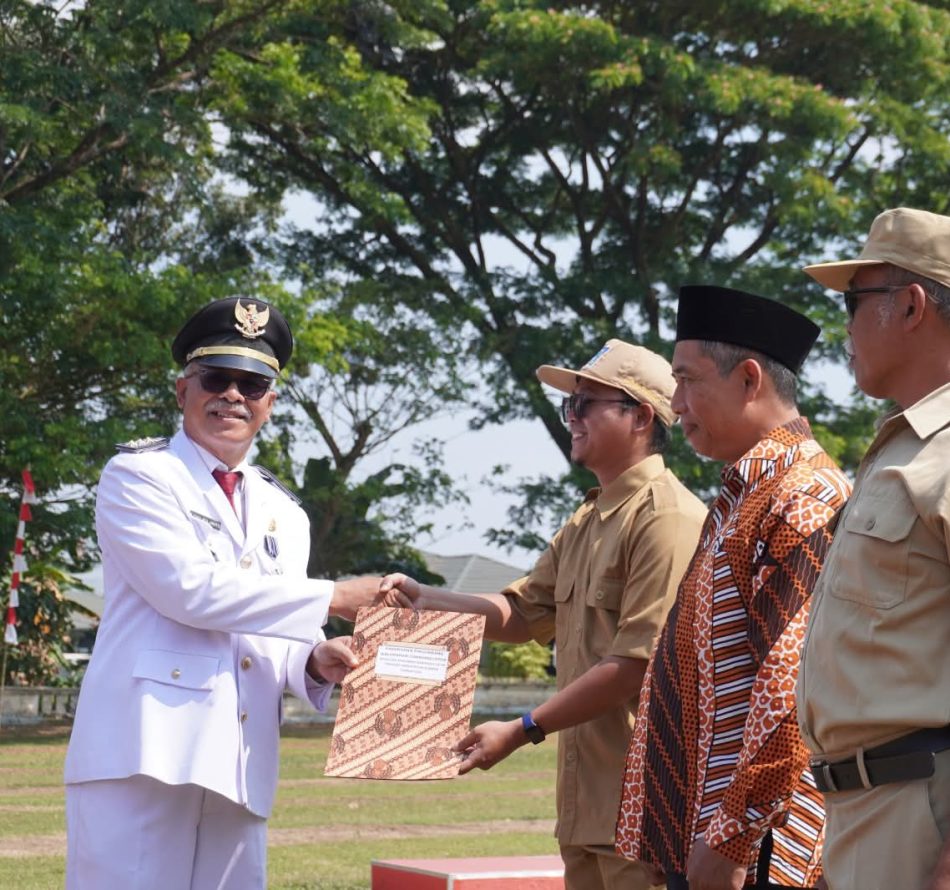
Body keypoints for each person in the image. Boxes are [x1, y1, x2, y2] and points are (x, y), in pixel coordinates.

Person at [64, 297, 382, 890]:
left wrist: (312, 658)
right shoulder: (139, 476)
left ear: (271, 402)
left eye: (253, 382)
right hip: (143, 751)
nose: (233, 394)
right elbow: (190, 591)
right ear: (183, 389)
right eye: (216, 378)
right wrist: (334, 597)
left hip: (240, 760)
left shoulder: (285, 511)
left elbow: (270, 629)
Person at [380, 339, 708, 890]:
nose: (571, 419)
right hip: (586, 810)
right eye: (568, 406)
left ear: (642, 417)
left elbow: (635, 663)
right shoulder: (586, 519)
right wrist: (427, 600)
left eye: (586, 405)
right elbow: (523, 612)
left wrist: (523, 728)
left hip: (643, 809)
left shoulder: (667, 518)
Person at [615, 286, 852, 890]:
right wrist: (662, 823)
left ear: (749, 379)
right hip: (708, 839)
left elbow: (790, 691)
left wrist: (729, 839)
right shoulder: (741, 495)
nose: (675, 402)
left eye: (688, 380)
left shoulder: (803, 496)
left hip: (756, 852)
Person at [796, 207, 950, 890]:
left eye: (855, 301)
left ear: (912, 305)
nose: (844, 328)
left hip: (920, 812)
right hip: (870, 807)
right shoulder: (904, 445)